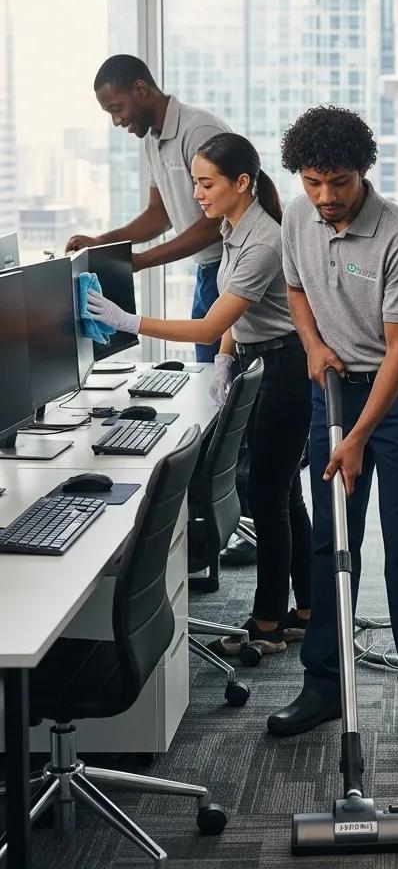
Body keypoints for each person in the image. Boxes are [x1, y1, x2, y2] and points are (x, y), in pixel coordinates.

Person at [86, 132, 313, 654]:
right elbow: (240, 316)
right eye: (194, 183)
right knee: (282, 493)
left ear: (242, 182)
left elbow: (212, 323)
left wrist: (131, 321)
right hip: (263, 357)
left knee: (269, 495)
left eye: (206, 184)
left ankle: (269, 625)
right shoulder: (237, 228)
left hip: (285, 365)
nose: (197, 195)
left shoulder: (264, 240)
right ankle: (305, 608)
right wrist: (229, 358)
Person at [266, 106, 398, 744]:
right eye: (313, 181)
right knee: (330, 542)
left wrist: (359, 437)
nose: (324, 197)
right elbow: (294, 288)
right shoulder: (297, 216)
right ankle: (321, 685)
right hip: (333, 392)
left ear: (363, 172)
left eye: (337, 183)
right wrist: (313, 345)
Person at [67, 54, 230, 362]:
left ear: (141, 89)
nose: (116, 121)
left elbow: (217, 221)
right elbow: (159, 213)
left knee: (225, 380)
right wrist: (101, 243)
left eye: (116, 108)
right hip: (206, 273)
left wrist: (142, 260)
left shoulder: (199, 130)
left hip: (230, 270)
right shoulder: (151, 139)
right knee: (210, 377)